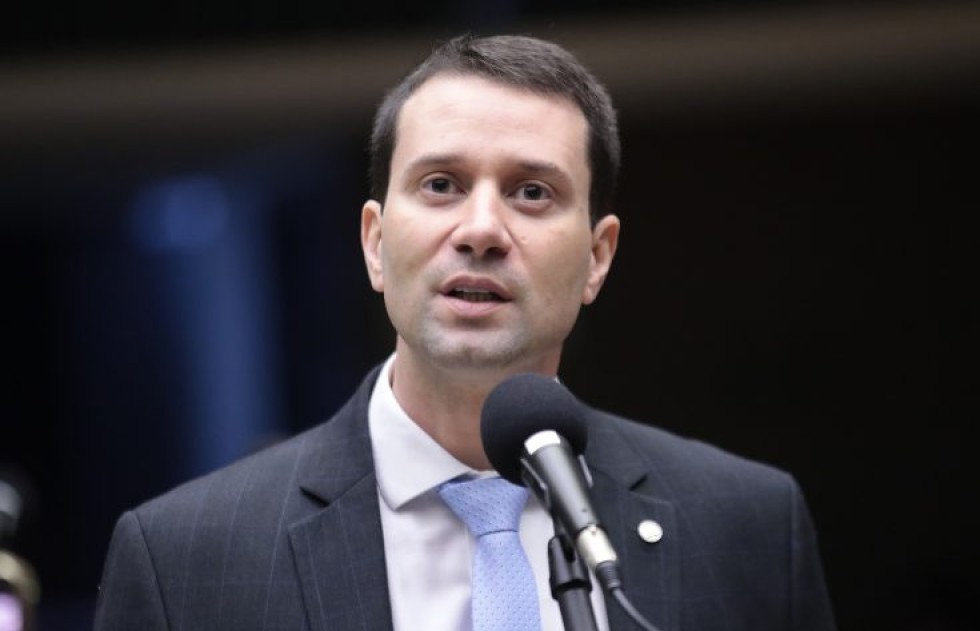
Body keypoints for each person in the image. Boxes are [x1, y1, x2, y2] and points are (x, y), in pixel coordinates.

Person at [94, 34, 836, 631]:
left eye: (532, 192)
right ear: (374, 243)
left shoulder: (745, 527)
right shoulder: (184, 558)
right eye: (441, 184)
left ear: (598, 257)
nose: (481, 229)